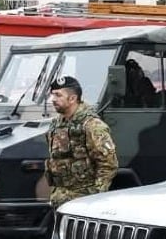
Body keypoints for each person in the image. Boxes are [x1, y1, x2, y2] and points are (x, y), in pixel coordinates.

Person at [45, 75, 118, 206]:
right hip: (60, 198)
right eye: (52, 95)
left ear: (72, 98)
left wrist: (96, 195)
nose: (53, 100)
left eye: (58, 95)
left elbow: (108, 164)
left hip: (84, 200)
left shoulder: (92, 125)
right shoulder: (56, 124)